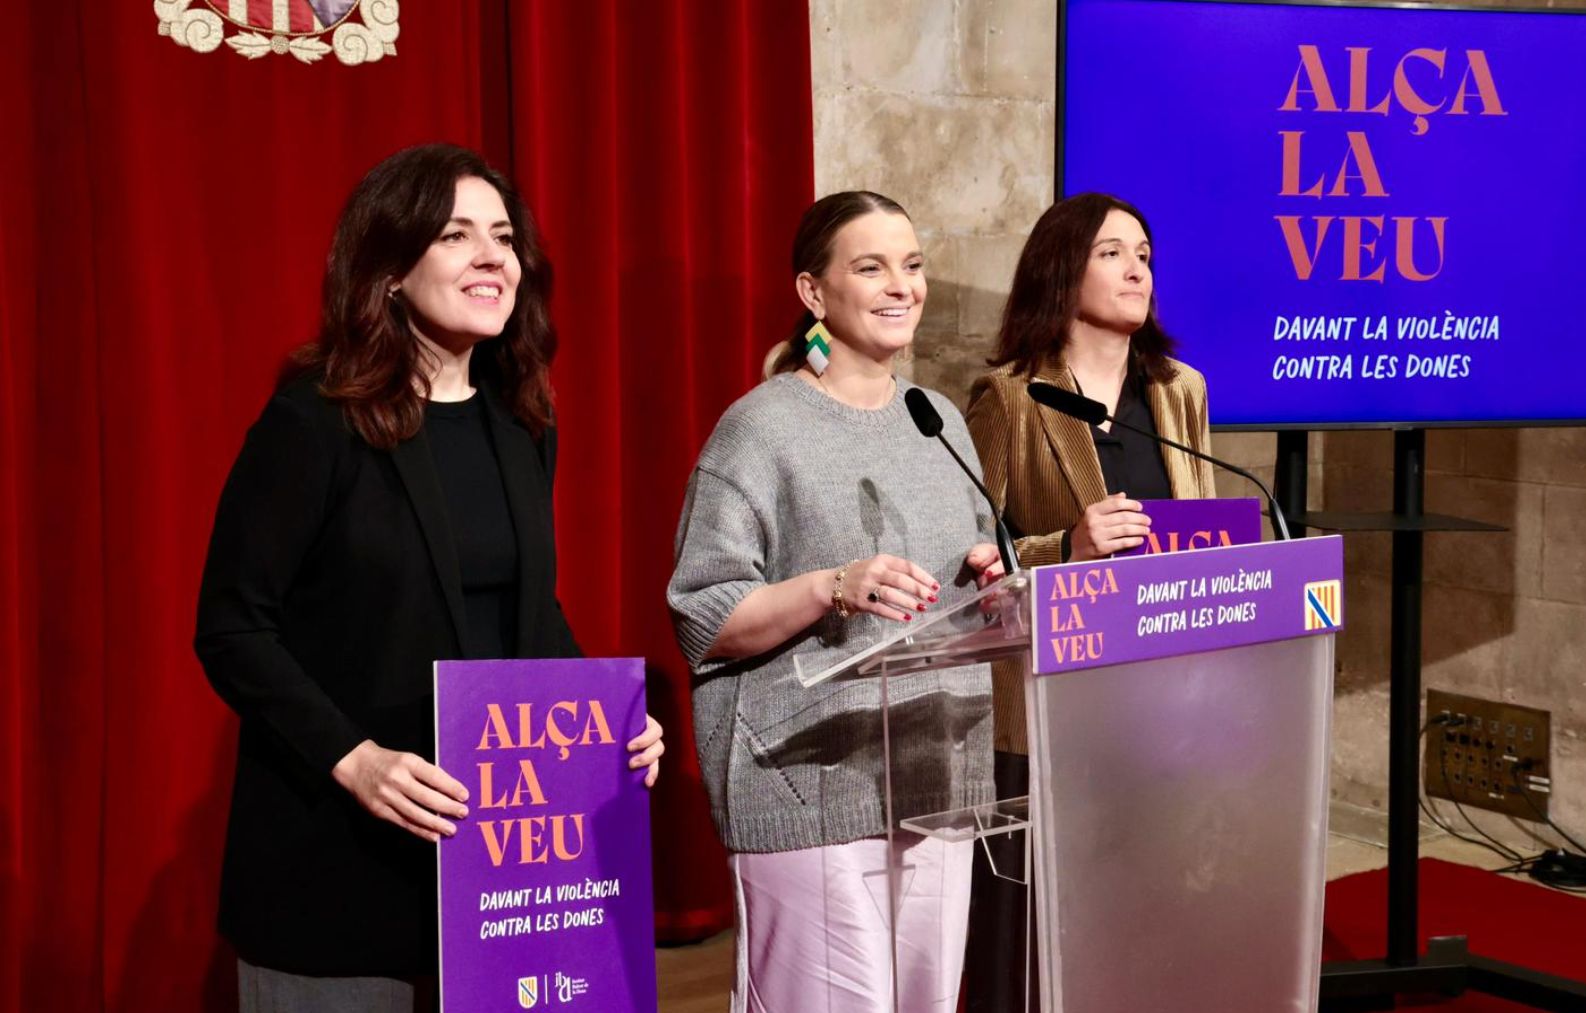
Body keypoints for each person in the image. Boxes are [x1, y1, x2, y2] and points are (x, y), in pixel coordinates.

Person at [194, 143, 665, 1012]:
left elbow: (525, 610)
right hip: (337, 860)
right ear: (388, 271)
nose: (493, 256)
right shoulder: (315, 419)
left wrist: (611, 726)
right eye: (456, 235)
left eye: (503, 237)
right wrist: (356, 760)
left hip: (498, 875)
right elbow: (231, 626)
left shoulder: (522, 421)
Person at [667, 190, 1004, 1013]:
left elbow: (965, 580)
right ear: (814, 294)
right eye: (872, 266)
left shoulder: (940, 420)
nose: (902, 286)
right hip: (809, 787)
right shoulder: (760, 429)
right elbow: (701, 616)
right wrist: (832, 585)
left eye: (914, 265)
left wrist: (990, 577)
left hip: (937, 772)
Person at [961, 192, 1217, 1012]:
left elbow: (1204, 520)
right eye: (1112, 252)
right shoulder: (1009, 398)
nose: (1138, 265)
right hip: (1046, 708)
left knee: (1146, 907)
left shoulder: (1180, 391)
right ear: (1061, 270)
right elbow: (971, 562)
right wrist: (1064, 547)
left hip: (1157, 699)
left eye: (1144, 250)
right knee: (1034, 929)